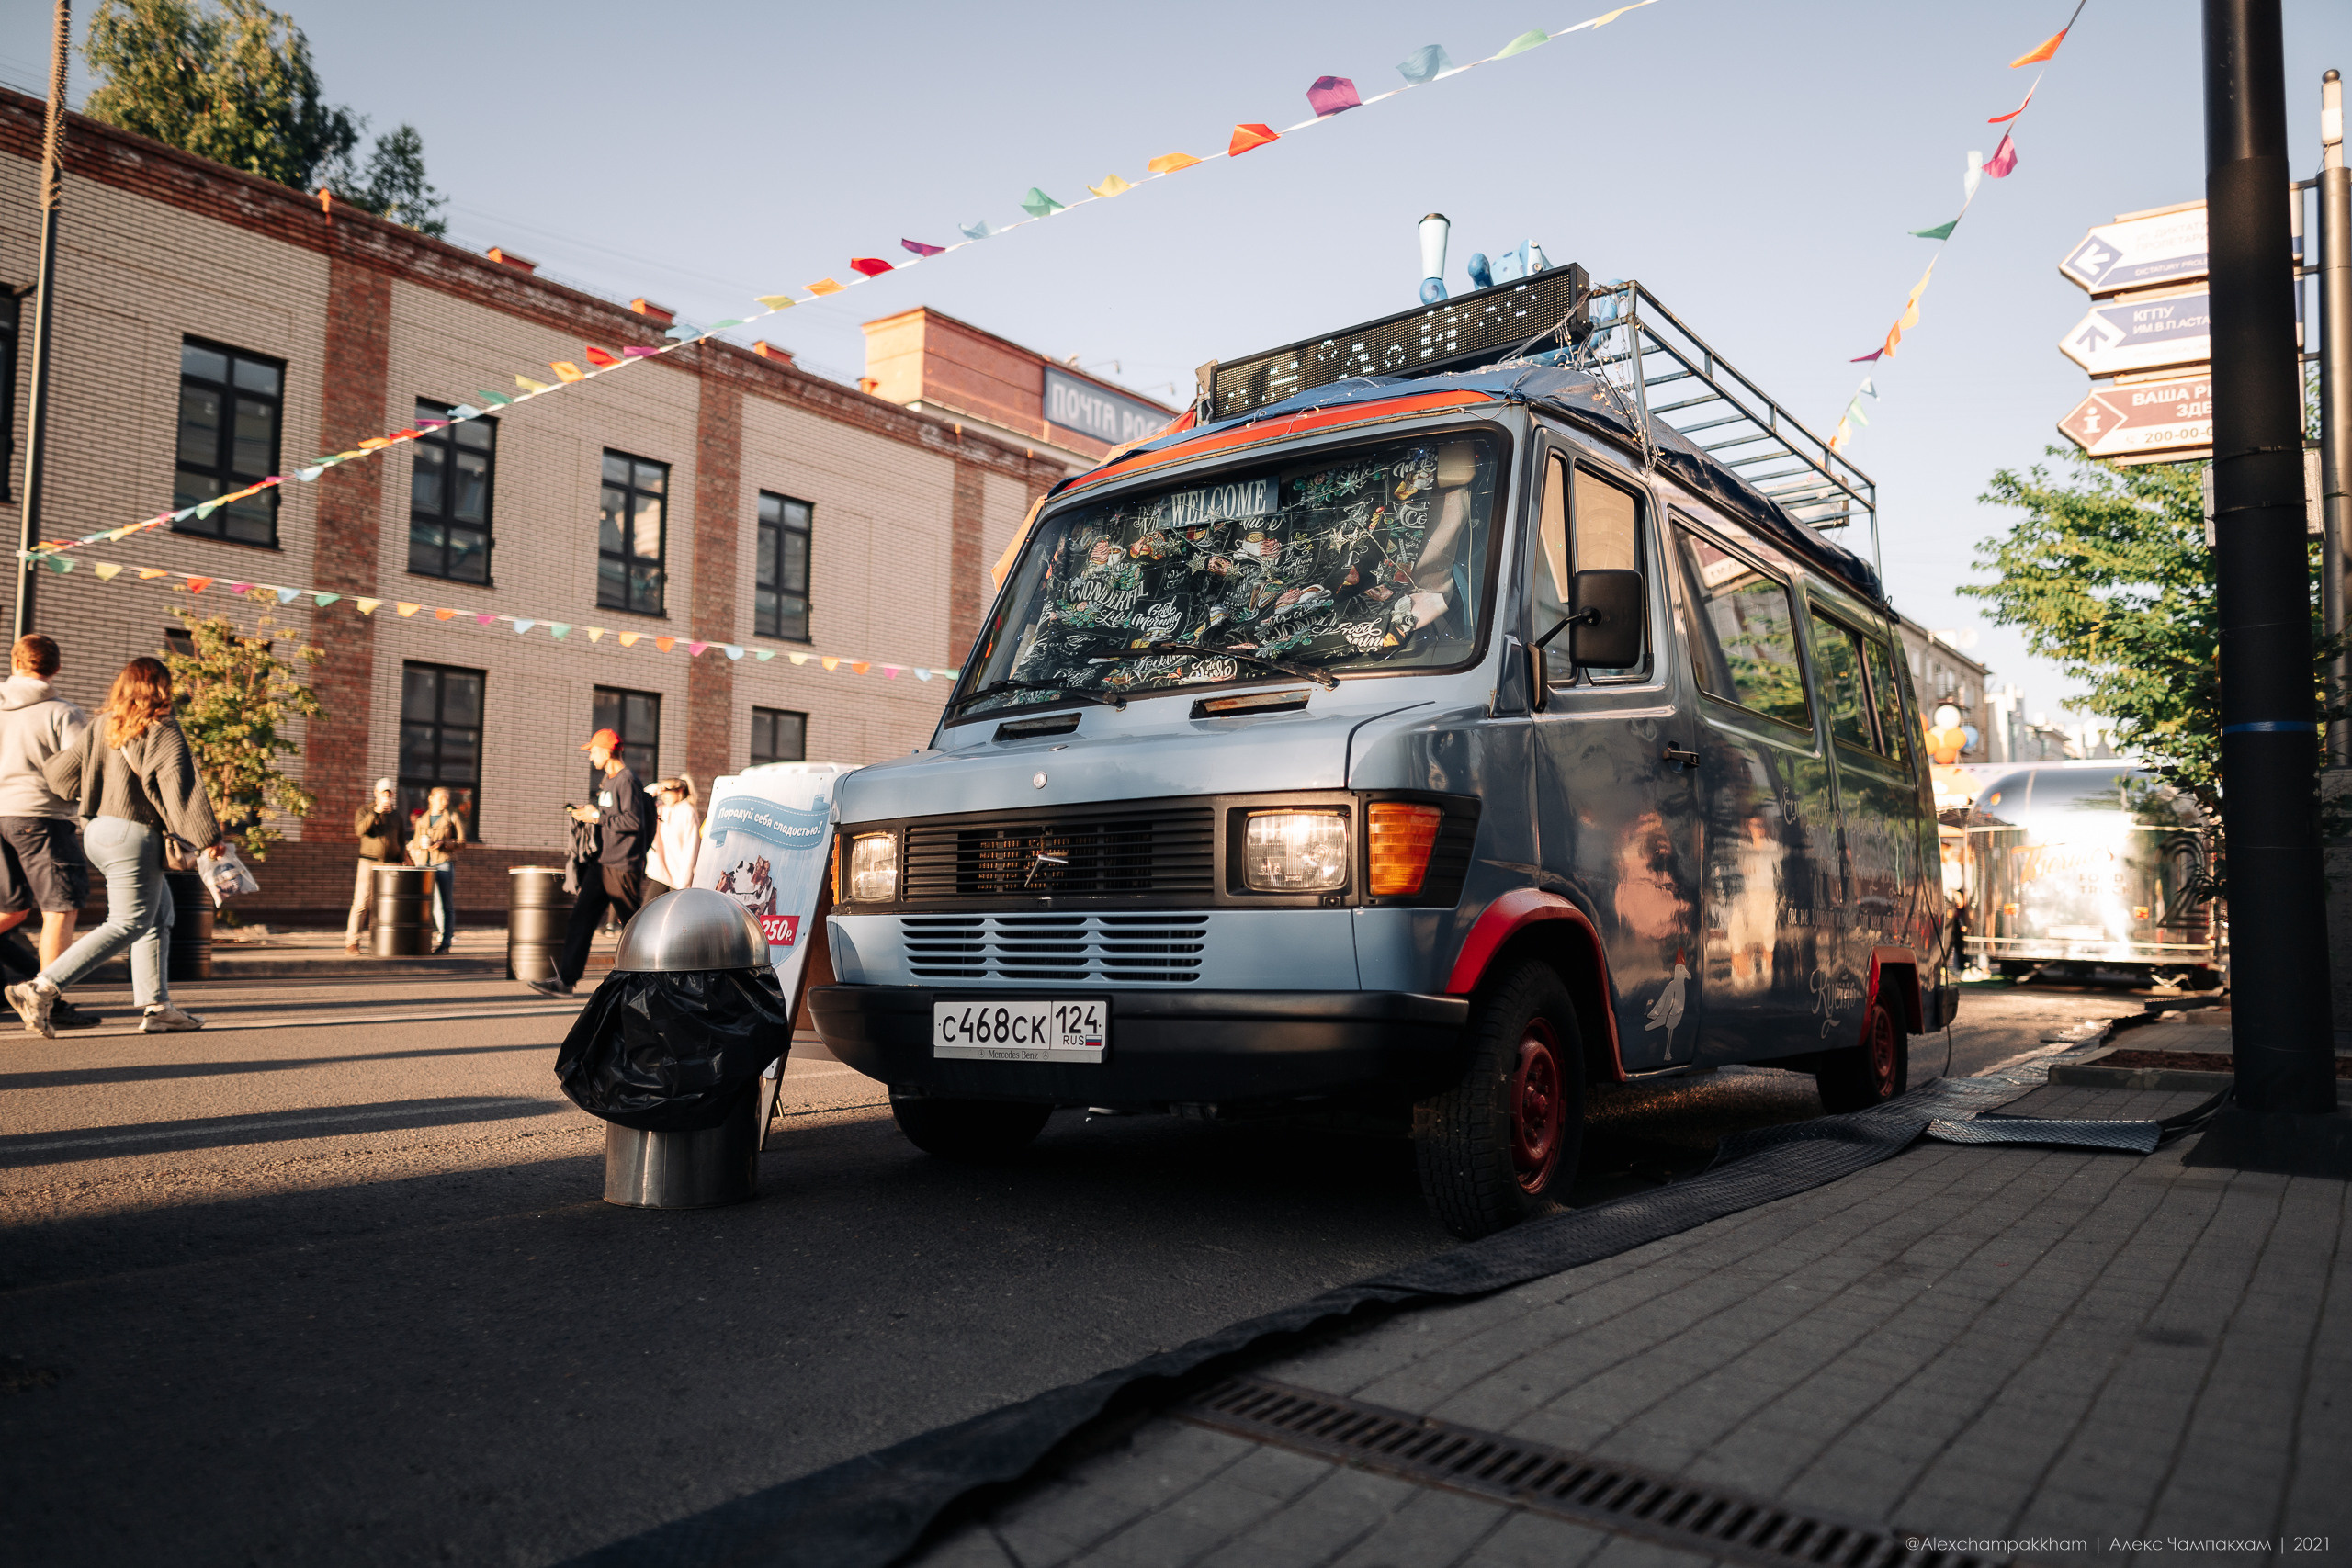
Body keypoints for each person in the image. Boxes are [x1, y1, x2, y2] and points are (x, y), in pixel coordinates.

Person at [6, 657, 220, 1036]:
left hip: (98, 831)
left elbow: (58, 774)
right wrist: (209, 839)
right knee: (128, 921)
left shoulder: (102, 726)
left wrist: (89, 788)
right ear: (162, 689)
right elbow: (180, 786)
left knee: (156, 916)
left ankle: (158, 1008)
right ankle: (40, 988)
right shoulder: (161, 728)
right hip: (133, 835)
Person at [0, 634, 97, 1030]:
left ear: (14, 663)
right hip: (40, 816)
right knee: (60, 908)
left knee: (12, 908)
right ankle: (46, 999)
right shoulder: (63, 712)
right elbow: (79, 770)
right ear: (56, 668)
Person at [529, 727, 650, 997]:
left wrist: (597, 818)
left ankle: (650, 981)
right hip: (601, 863)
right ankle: (566, 981)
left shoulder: (627, 780)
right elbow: (607, 814)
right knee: (580, 919)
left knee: (632, 925)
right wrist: (587, 812)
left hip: (622, 865)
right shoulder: (608, 781)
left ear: (607, 752)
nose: (590, 757)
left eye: (593, 751)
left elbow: (633, 821)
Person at [345, 777, 402, 953]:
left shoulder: (396, 815)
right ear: (375, 793)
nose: (386, 797)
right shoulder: (364, 810)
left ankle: (381, 941)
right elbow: (360, 831)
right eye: (383, 793)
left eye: (389, 793)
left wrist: (401, 859)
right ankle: (352, 941)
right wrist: (376, 813)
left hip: (390, 864)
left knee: (386, 905)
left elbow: (400, 840)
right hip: (368, 861)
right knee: (362, 902)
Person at [408, 785, 467, 953]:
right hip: (424, 863)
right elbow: (416, 842)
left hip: (443, 862)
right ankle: (422, 939)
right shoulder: (422, 820)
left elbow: (462, 843)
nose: (445, 802)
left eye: (447, 799)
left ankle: (445, 942)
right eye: (441, 798)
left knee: (446, 904)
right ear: (431, 799)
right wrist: (422, 846)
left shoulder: (452, 818)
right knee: (424, 903)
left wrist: (444, 843)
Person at [644, 773, 699, 898]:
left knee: (676, 914)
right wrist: (654, 789)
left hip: (679, 876)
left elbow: (691, 848)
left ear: (680, 790)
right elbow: (638, 802)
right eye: (662, 792)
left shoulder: (687, 812)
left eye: (667, 791)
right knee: (647, 909)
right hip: (661, 872)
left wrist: (684, 881)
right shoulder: (661, 809)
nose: (664, 796)